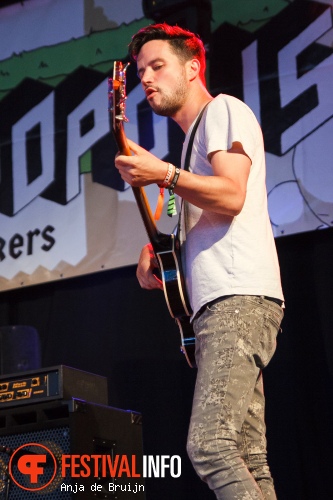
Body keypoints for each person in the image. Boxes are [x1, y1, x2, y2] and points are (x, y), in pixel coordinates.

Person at [115, 23, 284, 500]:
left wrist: (163, 174)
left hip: (238, 298)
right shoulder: (191, 146)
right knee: (248, 458)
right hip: (217, 304)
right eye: (140, 71)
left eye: (157, 66)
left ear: (192, 67)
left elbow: (231, 195)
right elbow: (207, 217)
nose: (146, 78)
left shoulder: (223, 110)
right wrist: (161, 256)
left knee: (210, 445)